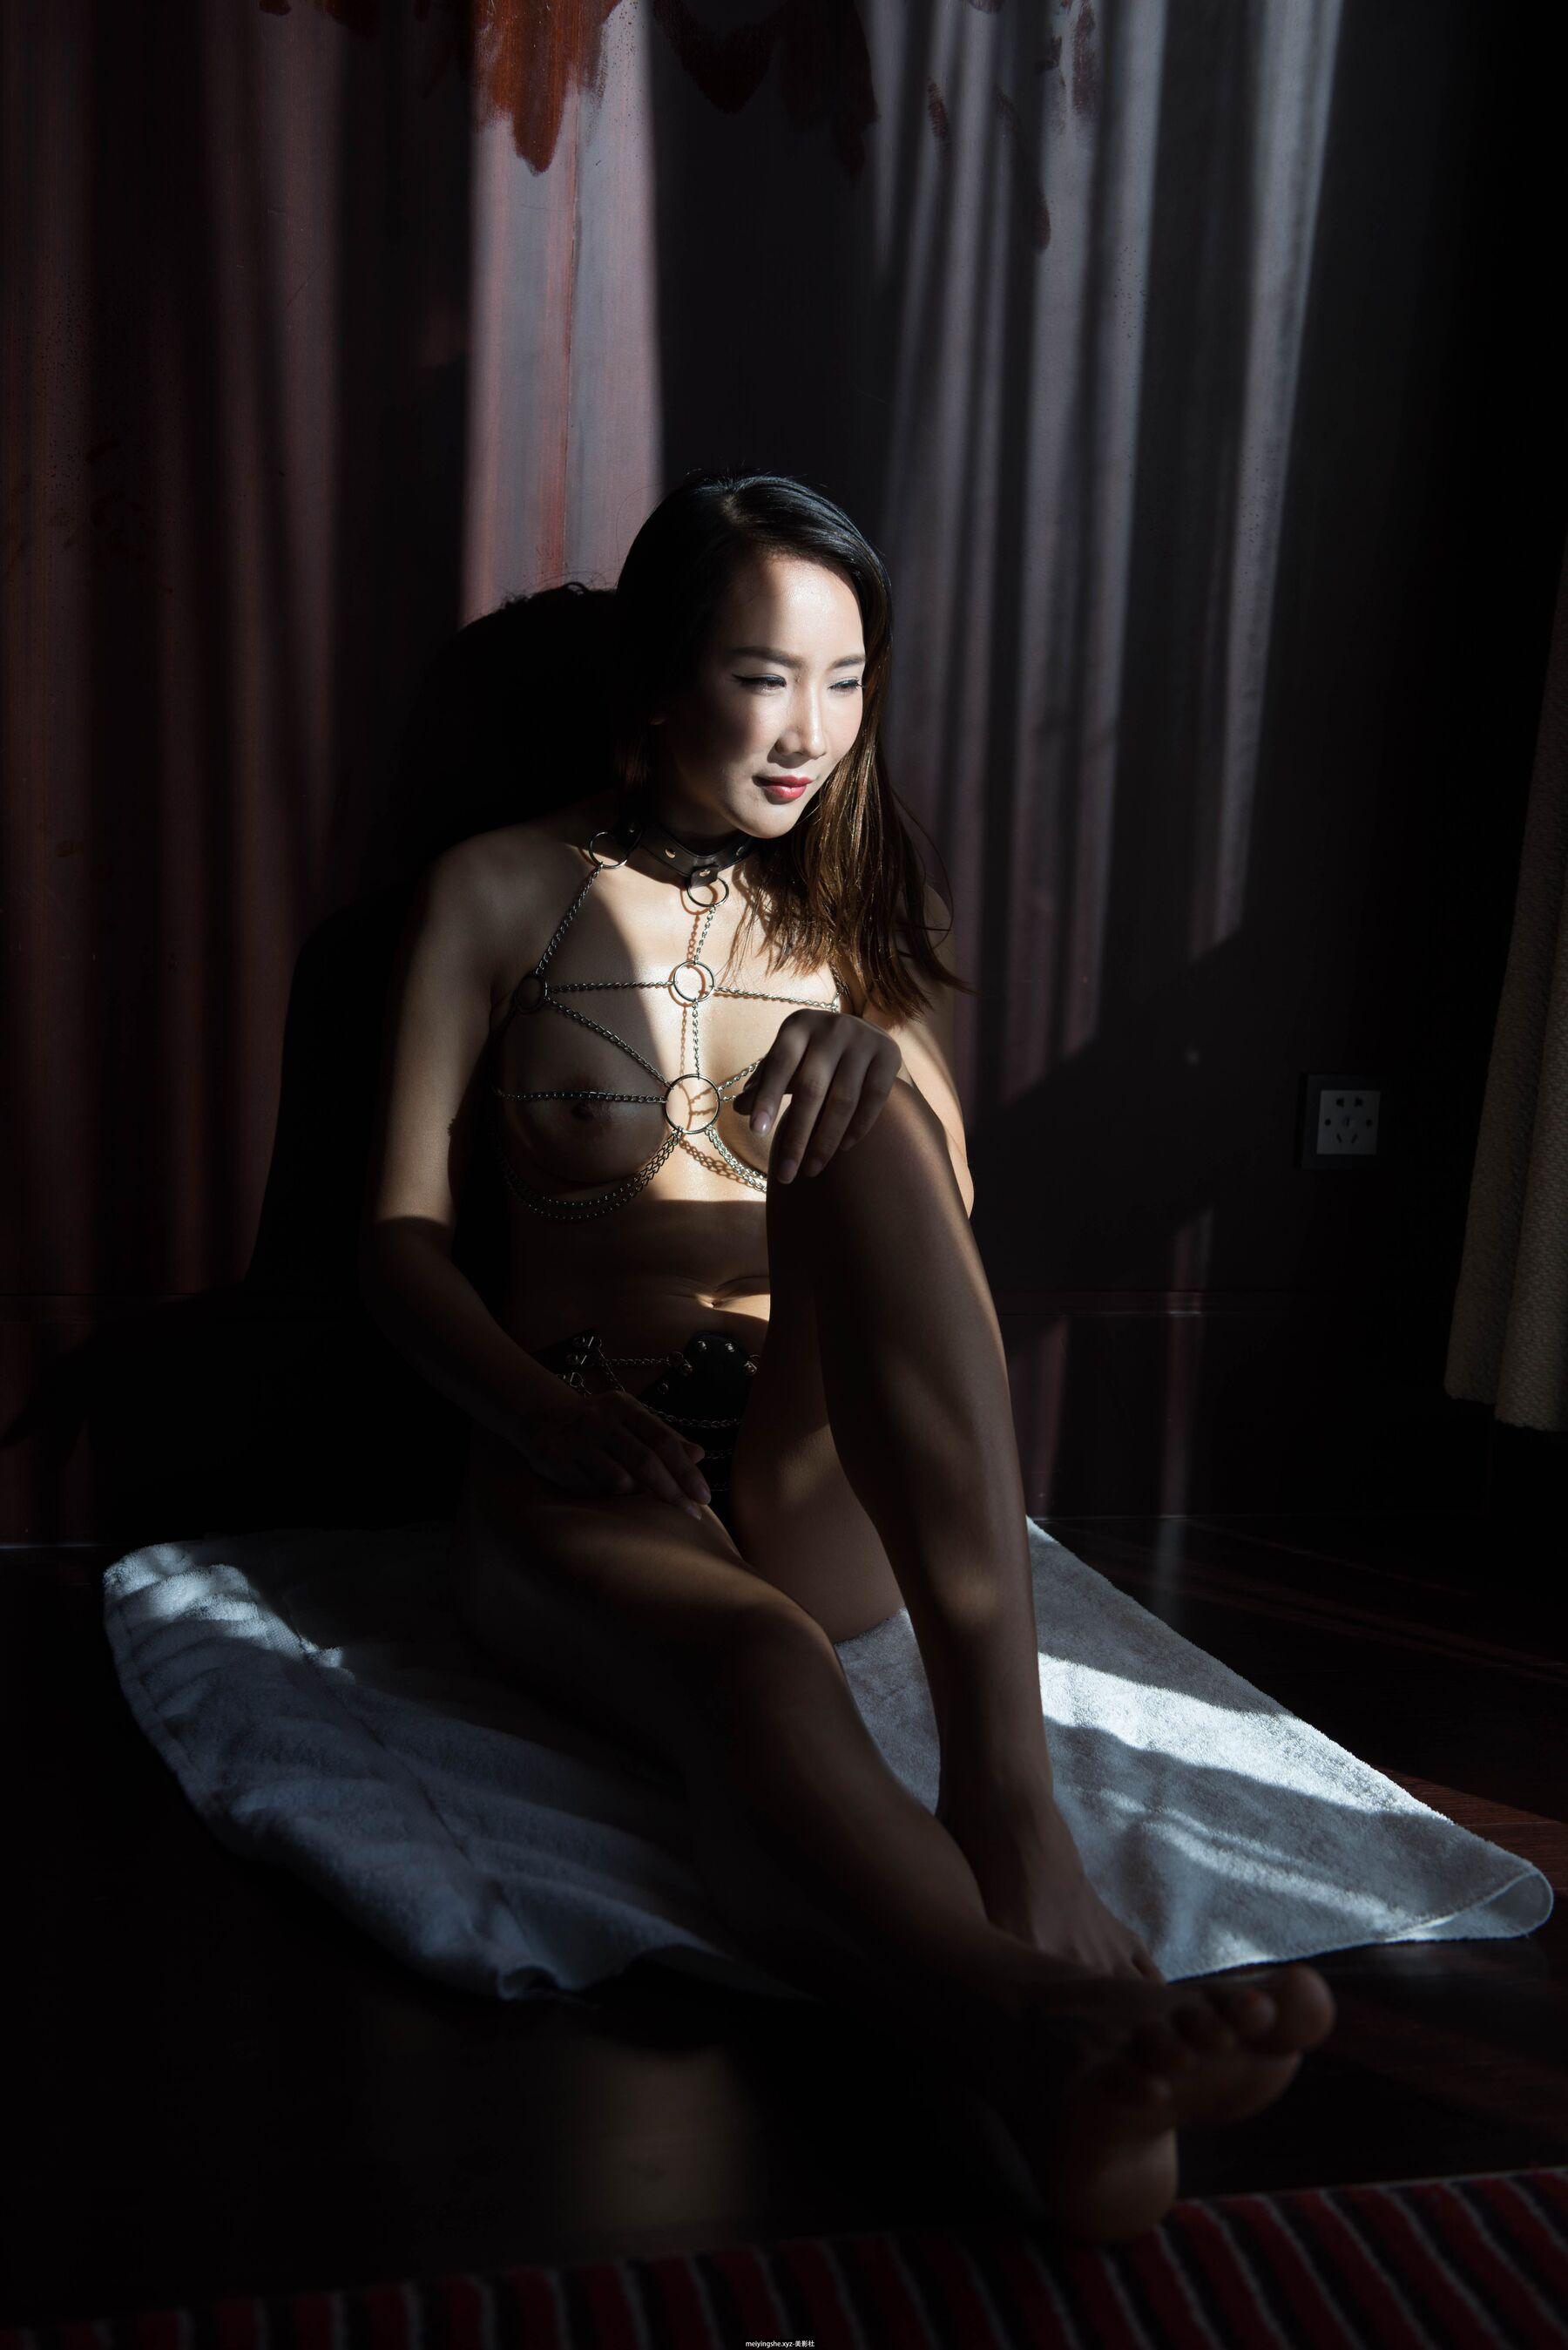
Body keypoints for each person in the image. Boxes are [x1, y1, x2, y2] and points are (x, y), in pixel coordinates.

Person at [359, 470, 1334, 2242]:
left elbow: (931, 1232)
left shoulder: (854, 921)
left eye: (846, 679)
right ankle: (1045, 2040)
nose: (809, 729)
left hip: (815, 1462)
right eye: (762, 676)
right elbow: (396, 1240)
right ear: (662, 683)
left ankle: (1010, 1805)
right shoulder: (494, 891)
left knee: (872, 1096)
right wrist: (540, 1409)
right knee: (758, 1668)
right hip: (598, 1454)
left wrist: (878, 1057)